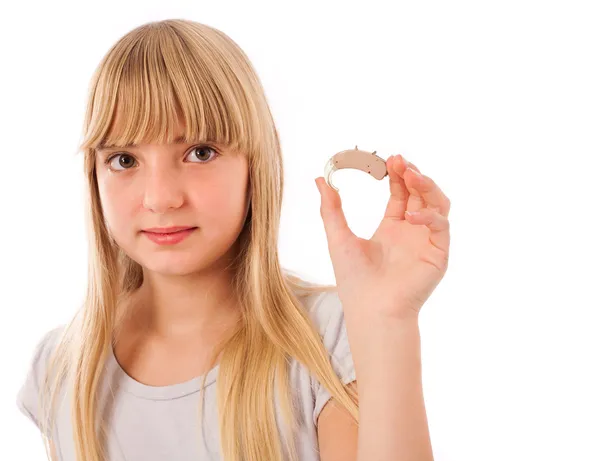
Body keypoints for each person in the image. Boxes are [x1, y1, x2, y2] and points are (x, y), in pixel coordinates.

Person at [17, 18, 451, 461]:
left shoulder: (328, 338)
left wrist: (387, 322)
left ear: (254, 164)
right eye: (124, 159)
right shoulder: (62, 368)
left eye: (200, 152)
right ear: (95, 177)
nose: (160, 198)